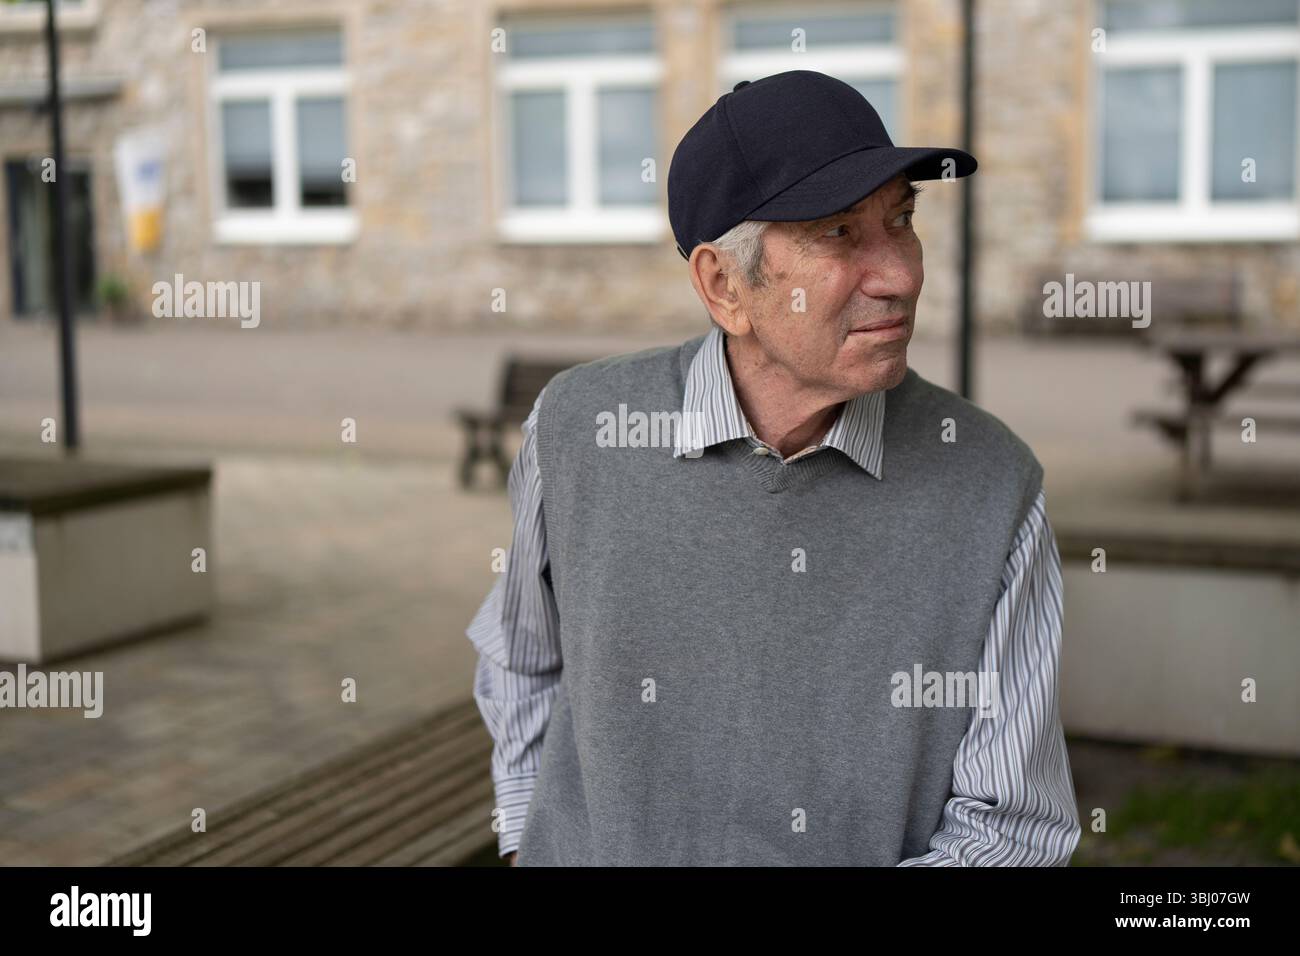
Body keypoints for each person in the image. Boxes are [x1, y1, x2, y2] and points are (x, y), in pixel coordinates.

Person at [467, 70, 1081, 866]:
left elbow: (1013, 831)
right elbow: (520, 657)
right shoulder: (580, 429)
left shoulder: (993, 485)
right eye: (839, 234)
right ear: (725, 286)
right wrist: (527, 837)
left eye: (902, 219)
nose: (900, 274)